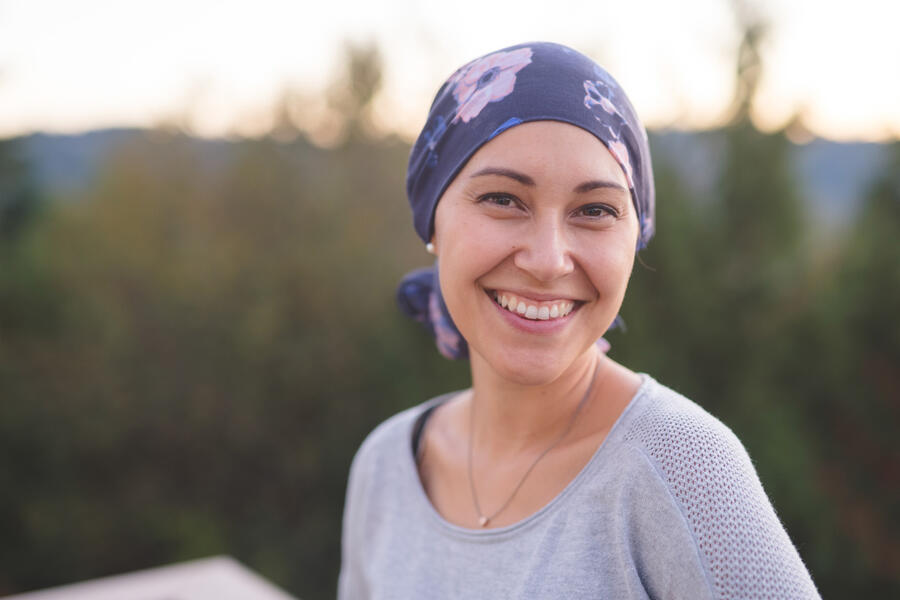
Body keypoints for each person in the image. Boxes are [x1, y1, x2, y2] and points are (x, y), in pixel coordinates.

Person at [338, 41, 820, 599]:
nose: (548, 260)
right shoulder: (387, 466)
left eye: (595, 211)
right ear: (433, 225)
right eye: (503, 199)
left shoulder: (682, 466)